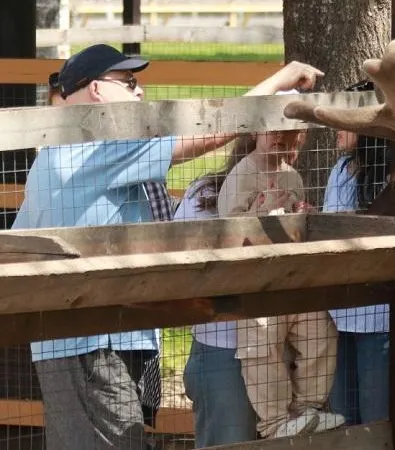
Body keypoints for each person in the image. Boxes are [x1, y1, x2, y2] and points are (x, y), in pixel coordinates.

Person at [12, 42, 322, 450]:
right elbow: (209, 132)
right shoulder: (98, 142)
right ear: (96, 91)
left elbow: (21, 240)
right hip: (98, 343)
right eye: (129, 82)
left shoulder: (51, 156)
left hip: (74, 340)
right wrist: (283, 78)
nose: (140, 91)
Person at [214, 123, 345, 440]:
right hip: (253, 284)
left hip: (290, 279)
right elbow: (227, 237)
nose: (278, 137)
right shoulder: (240, 176)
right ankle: (274, 423)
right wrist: (261, 212)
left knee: (320, 332)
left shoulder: (292, 175)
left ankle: (307, 410)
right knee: (261, 341)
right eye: (272, 130)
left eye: (287, 132)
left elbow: (294, 225)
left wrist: (302, 215)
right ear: (253, 133)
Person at [322, 80, 392, 425]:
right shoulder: (339, 170)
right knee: (343, 419)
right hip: (342, 316)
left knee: (377, 420)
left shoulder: (392, 174)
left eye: (345, 118)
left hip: (381, 319)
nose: (336, 127)